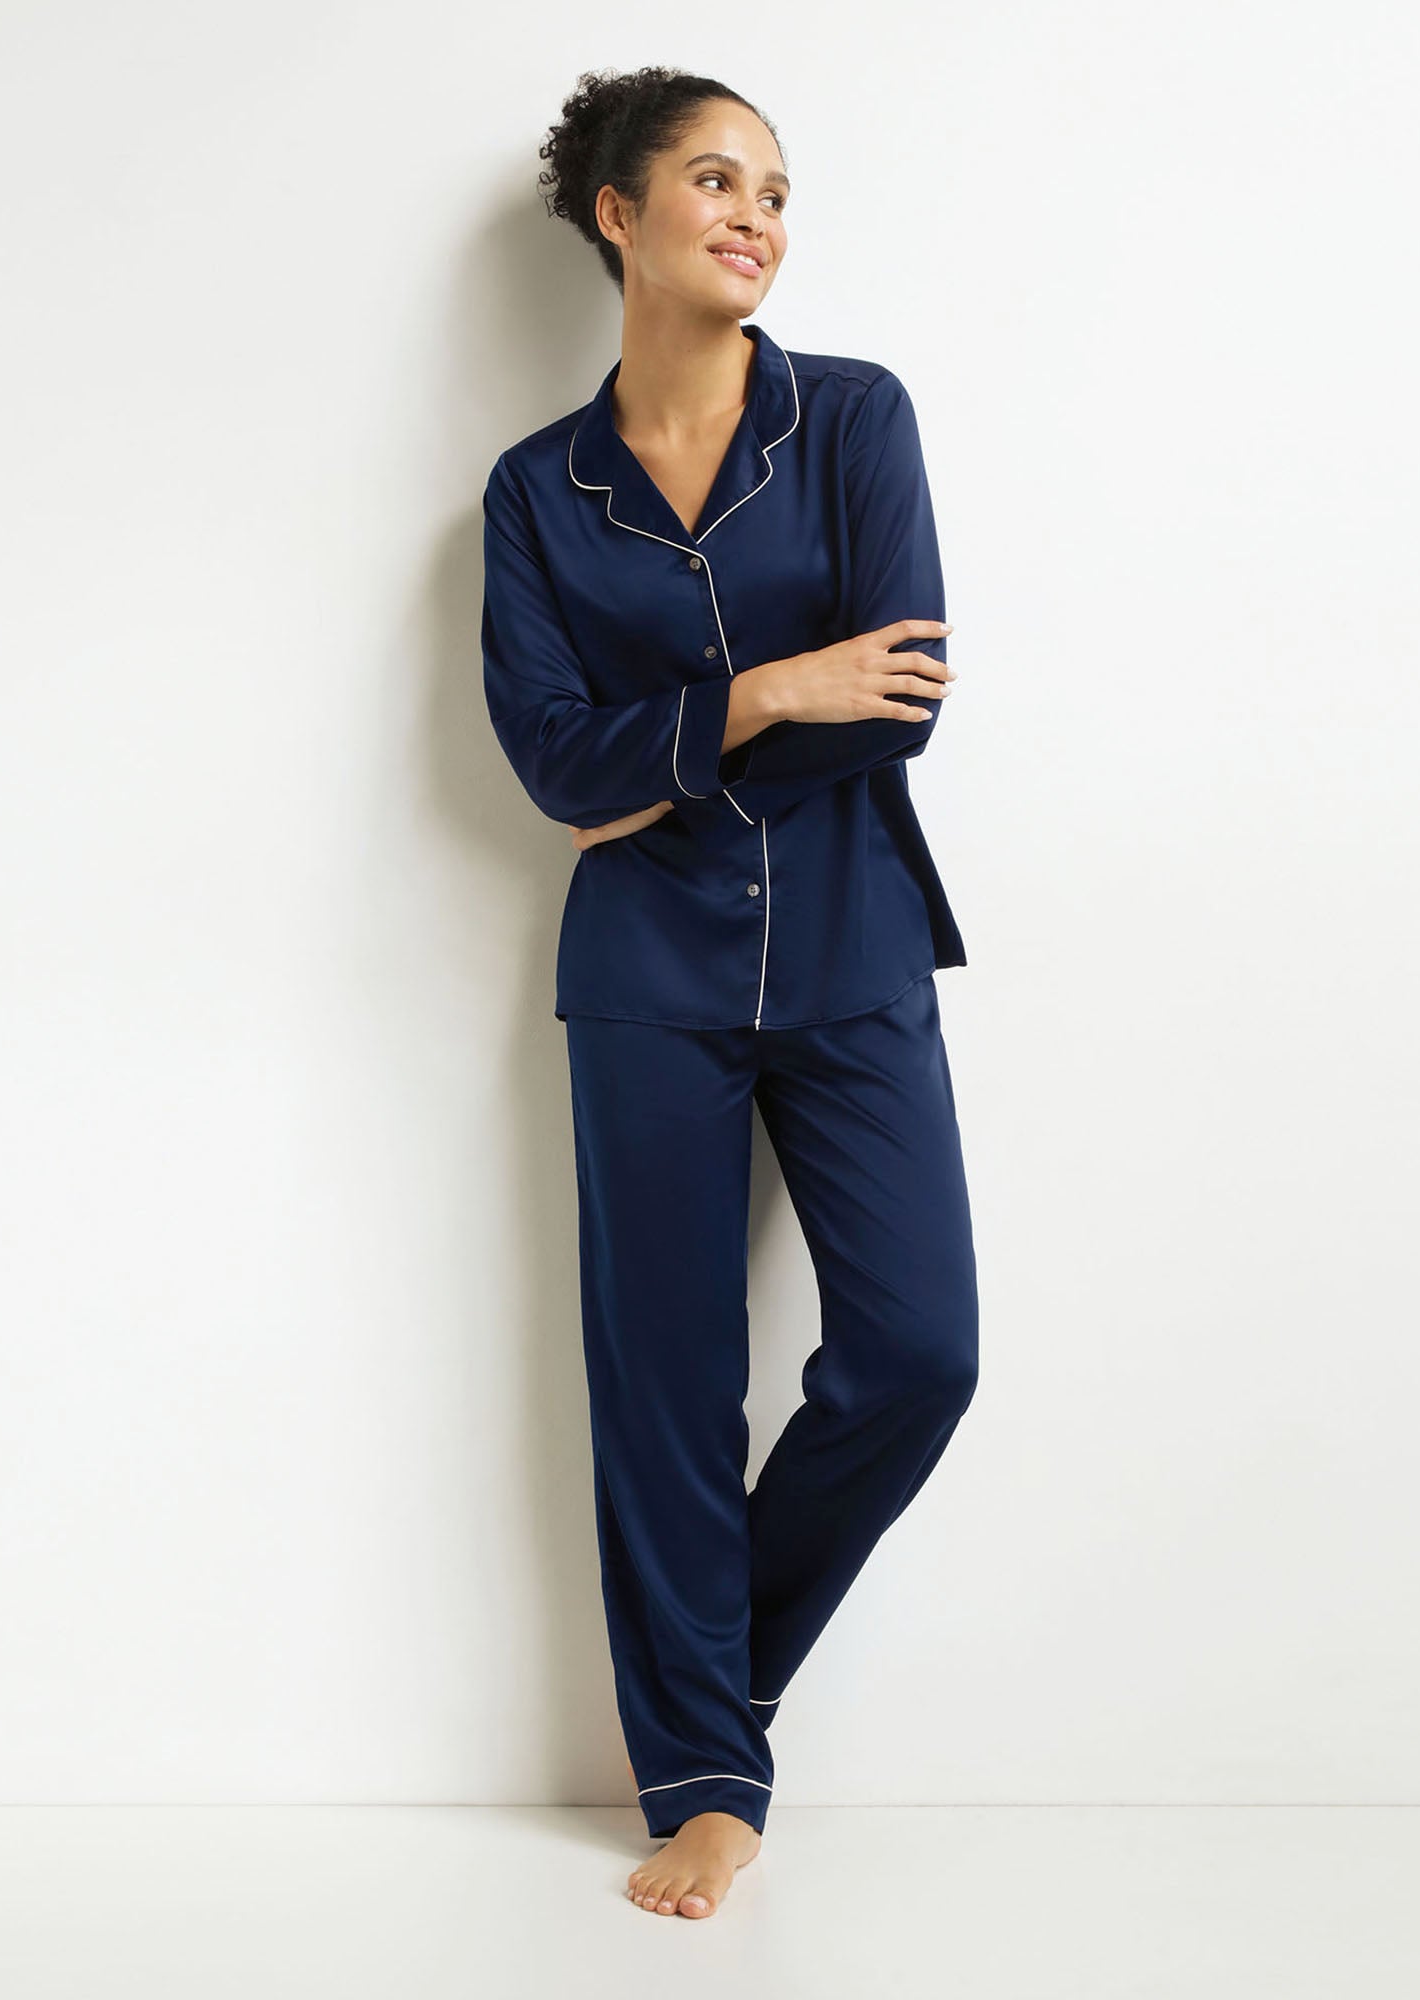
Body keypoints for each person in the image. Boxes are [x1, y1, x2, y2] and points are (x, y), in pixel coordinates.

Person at [480, 65, 980, 1920]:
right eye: (713, 179)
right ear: (619, 214)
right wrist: (769, 692)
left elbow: (902, 696)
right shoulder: (537, 492)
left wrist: (658, 760)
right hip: (645, 982)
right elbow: (548, 763)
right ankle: (706, 1782)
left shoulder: (854, 417)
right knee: (667, 1383)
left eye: (773, 187)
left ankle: (708, 1700)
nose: (756, 214)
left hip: (851, 948)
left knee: (920, 1353)